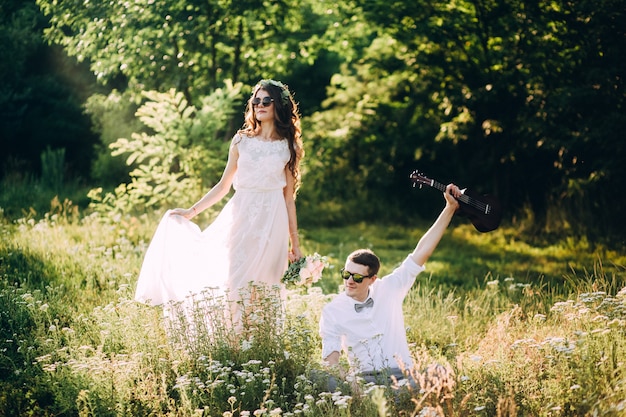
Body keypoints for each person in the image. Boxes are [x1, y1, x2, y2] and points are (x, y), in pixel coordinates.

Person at [134, 79, 303, 327]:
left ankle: (263, 346)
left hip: (272, 221)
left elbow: (288, 199)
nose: (260, 105)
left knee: (267, 283)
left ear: (279, 105)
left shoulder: (289, 147)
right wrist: (191, 211)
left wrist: (295, 244)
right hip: (241, 215)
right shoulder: (241, 141)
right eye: (256, 101)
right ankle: (234, 344)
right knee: (236, 280)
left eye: (266, 100)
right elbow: (223, 186)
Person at [318, 184, 461, 390]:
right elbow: (330, 361)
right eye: (346, 274)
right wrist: (353, 386)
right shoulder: (332, 311)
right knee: (319, 377)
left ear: (372, 279)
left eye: (357, 277)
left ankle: (392, 397)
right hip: (362, 379)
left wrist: (449, 209)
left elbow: (421, 252)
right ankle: (382, 398)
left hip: (402, 374)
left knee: (440, 371)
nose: (349, 281)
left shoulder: (390, 288)